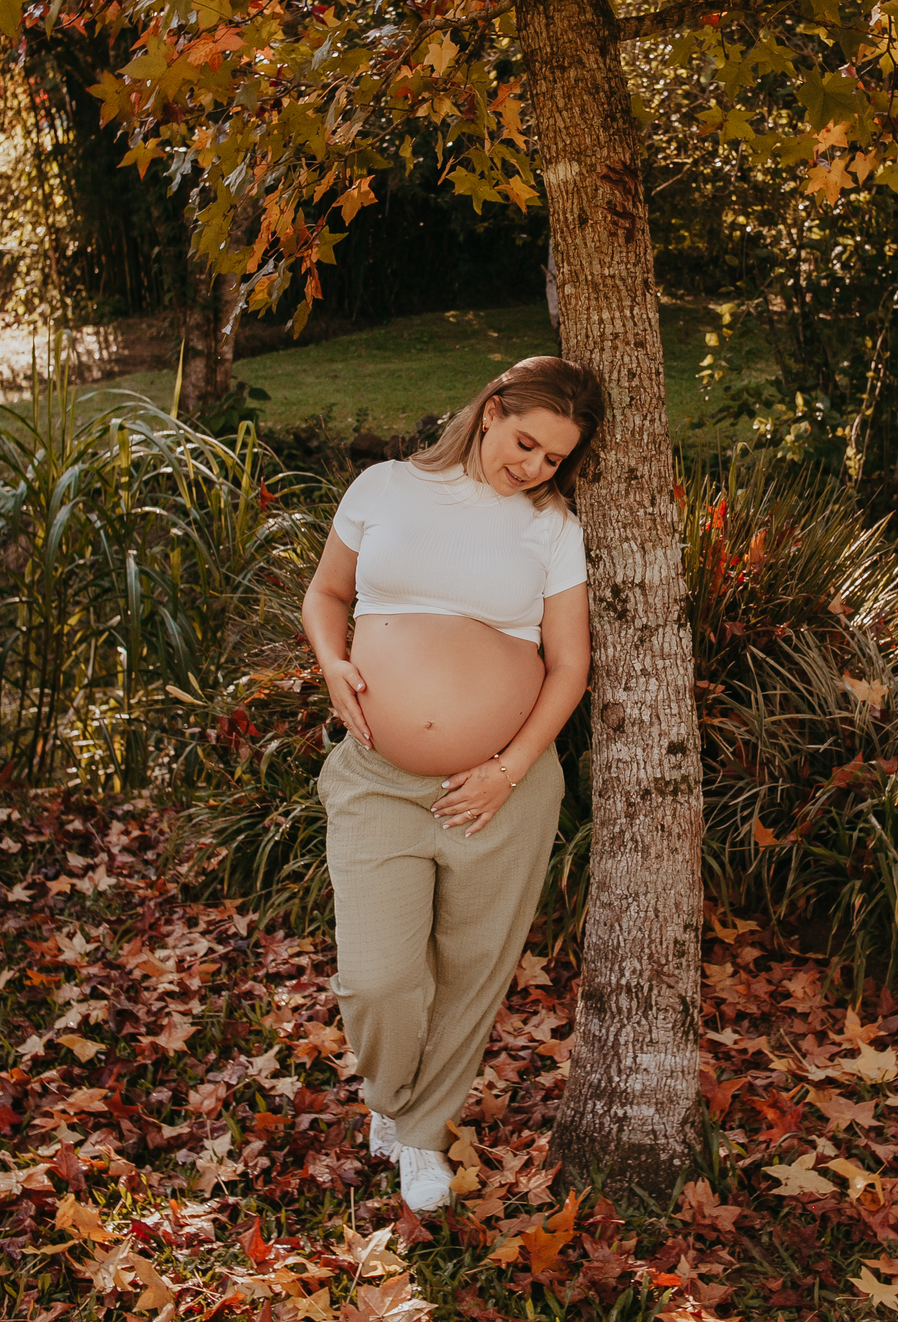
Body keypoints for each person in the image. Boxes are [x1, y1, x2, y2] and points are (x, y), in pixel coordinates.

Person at [302, 356, 604, 1213]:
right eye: (526, 442)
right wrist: (333, 663)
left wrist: (508, 772)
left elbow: (570, 665)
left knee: (472, 971)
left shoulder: (551, 527)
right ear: (490, 410)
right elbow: (327, 595)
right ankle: (391, 1097)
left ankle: (421, 1136)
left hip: (500, 790)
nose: (535, 468)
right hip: (376, 780)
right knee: (377, 978)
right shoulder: (384, 487)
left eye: (555, 459)